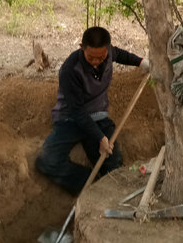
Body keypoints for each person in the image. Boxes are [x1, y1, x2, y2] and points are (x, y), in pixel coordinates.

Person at [35, 26, 149, 195]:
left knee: (113, 165)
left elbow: (121, 55)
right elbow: (77, 112)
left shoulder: (109, 53)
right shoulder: (70, 70)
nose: (96, 61)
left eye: (101, 57)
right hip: (70, 119)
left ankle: (106, 188)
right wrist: (100, 137)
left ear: (107, 50)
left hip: (98, 117)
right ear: (82, 47)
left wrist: (141, 62)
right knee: (47, 161)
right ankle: (92, 186)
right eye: (91, 57)